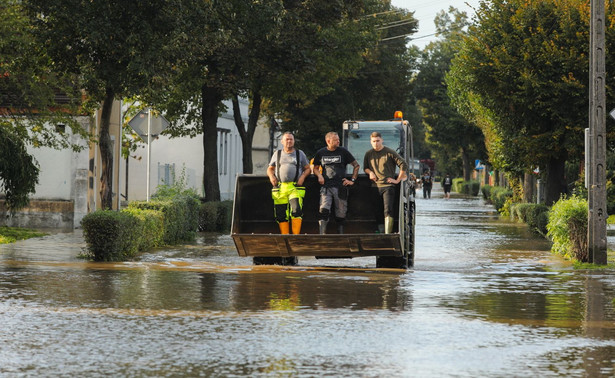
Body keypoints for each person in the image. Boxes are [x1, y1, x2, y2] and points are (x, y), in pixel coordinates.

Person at [312, 131, 360, 234]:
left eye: (338, 139)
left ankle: (340, 234)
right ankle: (322, 234)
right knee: (324, 209)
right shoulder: (321, 152)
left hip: (341, 186)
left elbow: (356, 165)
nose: (338, 141)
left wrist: (352, 180)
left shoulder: (343, 151)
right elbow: (315, 168)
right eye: (335, 140)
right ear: (328, 141)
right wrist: (319, 176)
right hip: (326, 186)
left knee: (341, 212)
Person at [363, 132, 408, 234]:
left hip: (388, 186)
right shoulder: (368, 154)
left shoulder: (389, 152)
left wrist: (397, 180)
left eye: (378, 141)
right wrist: (370, 172)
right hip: (375, 186)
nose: (376, 143)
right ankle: (381, 231)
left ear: (382, 140)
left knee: (388, 210)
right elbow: (365, 167)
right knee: (377, 210)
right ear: (371, 142)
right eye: (374, 141)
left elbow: (403, 164)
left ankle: (388, 233)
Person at [267, 132, 311, 234]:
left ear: (294, 141)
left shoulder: (300, 154)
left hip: (295, 188)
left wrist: (303, 177)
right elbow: (270, 169)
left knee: (296, 210)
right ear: (282, 141)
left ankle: (295, 236)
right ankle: (285, 236)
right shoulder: (277, 154)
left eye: (291, 139)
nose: (289, 141)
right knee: (281, 213)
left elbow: (308, 169)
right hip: (280, 188)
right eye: (287, 139)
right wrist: (271, 176)